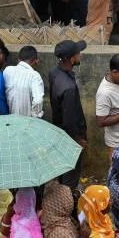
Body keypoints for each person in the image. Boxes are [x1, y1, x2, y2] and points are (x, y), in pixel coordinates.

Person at [48, 40, 88, 190]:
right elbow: (70, 120)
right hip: (71, 138)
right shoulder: (69, 88)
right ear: (71, 58)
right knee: (70, 178)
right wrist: (79, 140)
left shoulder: (54, 73)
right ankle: (67, 208)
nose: (80, 55)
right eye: (78, 53)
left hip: (59, 132)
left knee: (63, 172)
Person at [3, 45, 46, 118]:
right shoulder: (34, 75)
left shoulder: (7, 70)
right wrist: (35, 117)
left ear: (18, 60)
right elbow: (38, 100)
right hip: (27, 122)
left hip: (9, 119)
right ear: (36, 61)